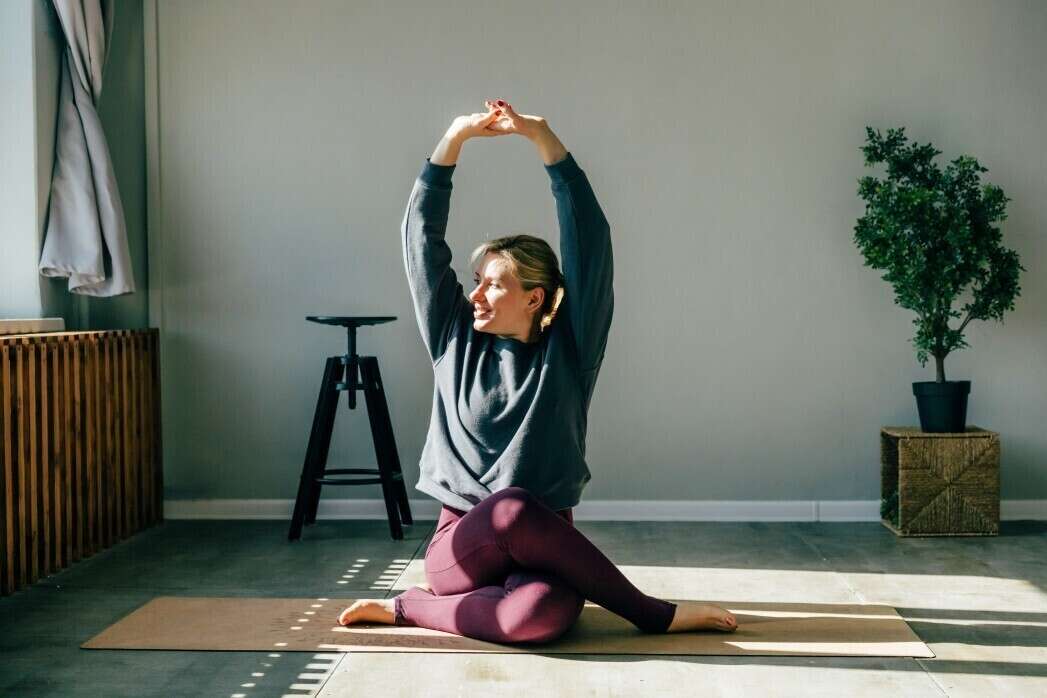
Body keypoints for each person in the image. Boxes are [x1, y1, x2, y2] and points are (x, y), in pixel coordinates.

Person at [337, 99, 737, 644]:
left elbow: (590, 246)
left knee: (538, 618)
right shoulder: (453, 336)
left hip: (544, 545)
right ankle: (651, 614)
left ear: (534, 298)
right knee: (512, 508)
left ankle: (416, 608)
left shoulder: (570, 350)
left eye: (493, 284)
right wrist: (452, 142)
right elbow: (420, 243)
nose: (476, 293)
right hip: (462, 546)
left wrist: (545, 141)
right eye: (476, 281)